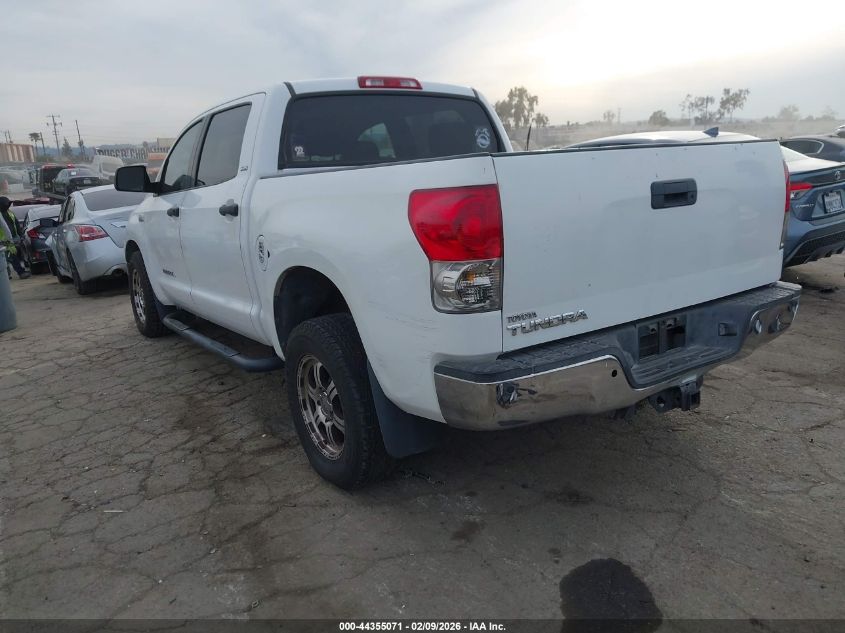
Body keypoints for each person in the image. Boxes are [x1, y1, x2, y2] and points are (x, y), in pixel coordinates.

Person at [0, 196, 31, 279]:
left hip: (14, 237)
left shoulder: (10, 212)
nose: (8, 206)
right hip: (4, 240)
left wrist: (20, 235)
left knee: (16, 254)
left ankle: (9, 274)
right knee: (11, 256)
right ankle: (19, 272)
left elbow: (16, 223)